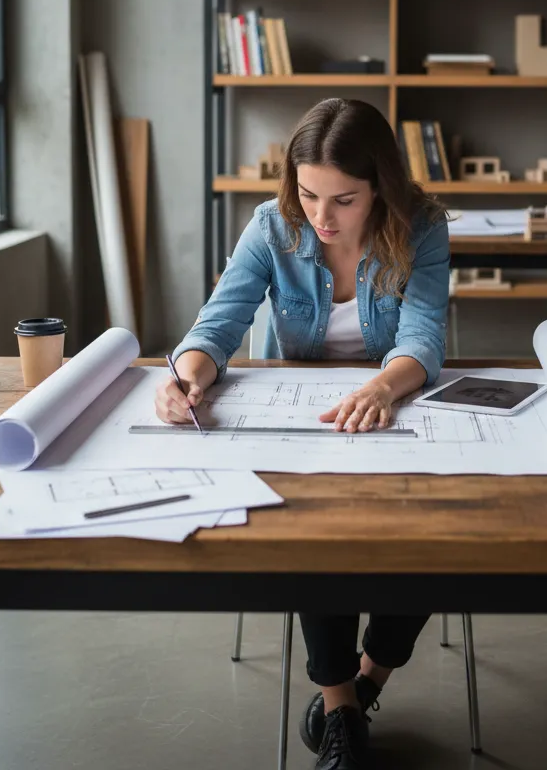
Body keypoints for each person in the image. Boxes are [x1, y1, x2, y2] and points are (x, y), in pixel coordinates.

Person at [158, 97, 450, 769]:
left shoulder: (420, 226)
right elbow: (219, 321)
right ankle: (343, 717)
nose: (321, 218)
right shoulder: (272, 225)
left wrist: (379, 387)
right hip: (301, 418)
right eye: (308, 193)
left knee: (439, 536)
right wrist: (187, 376)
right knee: (316, 534)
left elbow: (422, 335)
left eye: (343, 200)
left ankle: (362, 686)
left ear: (381, 186)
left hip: (393, 405)